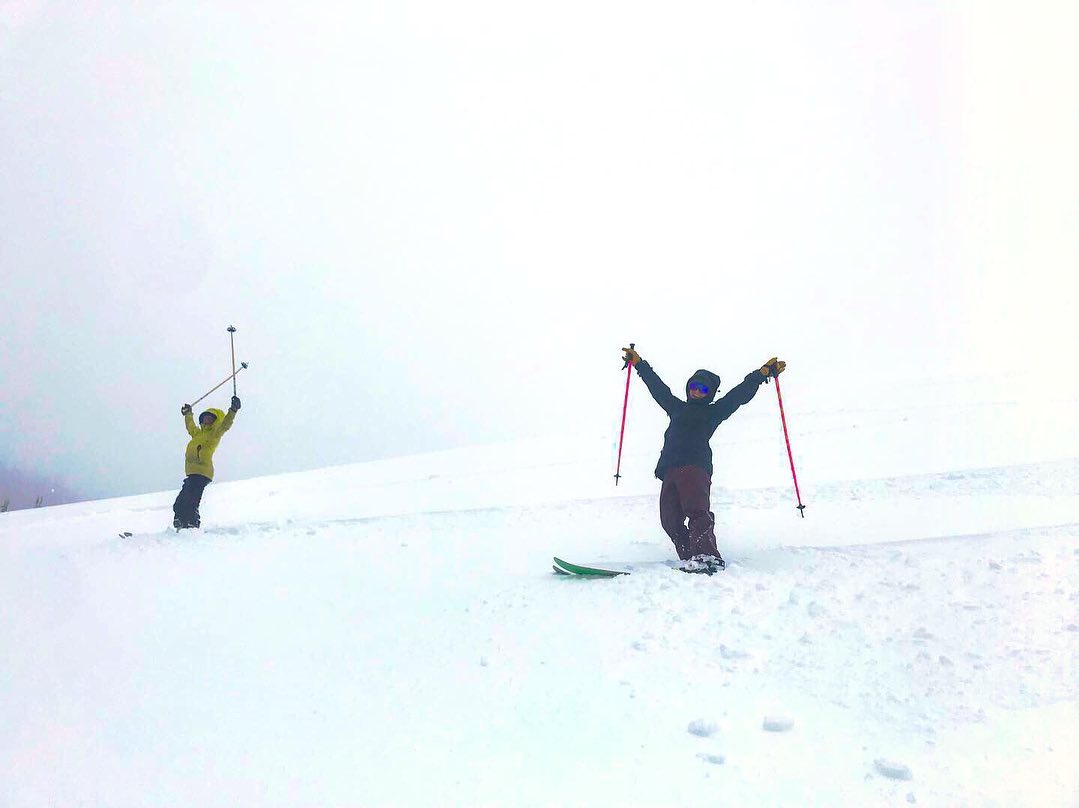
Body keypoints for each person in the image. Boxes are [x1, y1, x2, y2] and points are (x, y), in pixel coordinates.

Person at [621, 347, 786, 573]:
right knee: (669, 519)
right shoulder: (676, 407)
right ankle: (691, 555)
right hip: (670, 470)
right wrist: (640, 364)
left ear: (710, 394)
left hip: (694, 467)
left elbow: (738, 396)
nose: (697, 391)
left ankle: (707, 556)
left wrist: (760, 374)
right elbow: (657, 388)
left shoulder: (714, 412)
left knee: (697, 510)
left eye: (703, 389)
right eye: (694, 387)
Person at [172, 395, 241, 530]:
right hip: (192, 473)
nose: (207, 419)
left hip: (202, 472)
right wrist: (188, 414)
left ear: (215, 421)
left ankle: (192, 523)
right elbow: (191, 426)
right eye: (205, 417)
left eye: (210, 417)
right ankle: (181, 520)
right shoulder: (198, 434)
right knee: (180, 501)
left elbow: (226, 424)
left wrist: (233, 410)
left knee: (191, 499)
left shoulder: (215, 434)